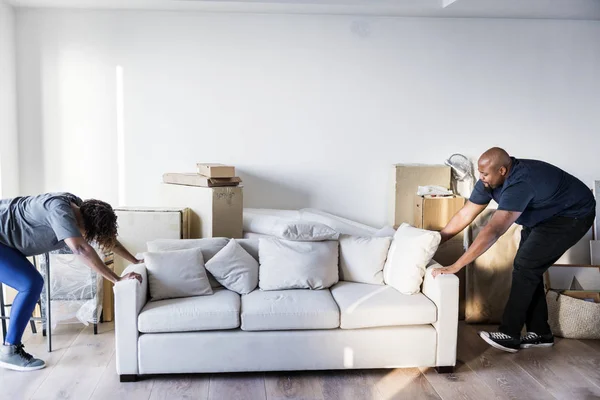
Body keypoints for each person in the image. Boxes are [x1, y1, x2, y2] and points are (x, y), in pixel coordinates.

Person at [432, 148, 596, 353]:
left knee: (525, 266)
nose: (481, 178)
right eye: (480, 172)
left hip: (572, 216)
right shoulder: (489, 181)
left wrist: (457, 265)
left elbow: (494, 230)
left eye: (485, 174)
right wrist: (434, 241)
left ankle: (510, 334)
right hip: (542, 216)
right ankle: (540, 333)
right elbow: (466, 214)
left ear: (502, 170)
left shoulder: (520, 182)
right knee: (528, 268)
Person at [0, 192, 142, 371]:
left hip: (5, 242)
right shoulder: (59, 211)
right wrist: (117, 279)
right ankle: (10, 351)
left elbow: (106, 240)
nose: (88, 237)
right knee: (30, 283)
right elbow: (81, 249)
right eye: (89, 234)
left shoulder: (77, 206)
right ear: (85, 225)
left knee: (32, 282)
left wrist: (135, 261)